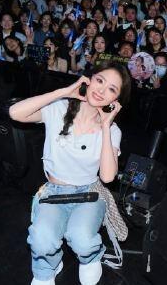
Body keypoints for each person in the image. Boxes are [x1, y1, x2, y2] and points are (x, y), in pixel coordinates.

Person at [8, 61, 131, 285]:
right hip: (54, 192)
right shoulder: (59, 108)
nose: (102, 90)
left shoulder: (112, 131)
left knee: (81, 238)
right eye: (100, 80)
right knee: (42, 239)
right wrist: (63, 92)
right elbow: (15, 113)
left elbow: (107, 177)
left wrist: (105, 125)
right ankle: (48, 268)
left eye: (112, 89)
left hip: (89, 194)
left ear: (116, 100)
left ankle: (90, 257)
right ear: (89, 80)